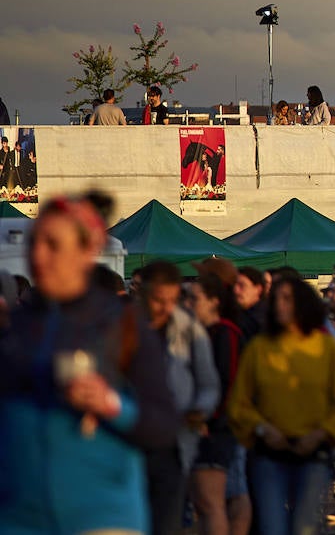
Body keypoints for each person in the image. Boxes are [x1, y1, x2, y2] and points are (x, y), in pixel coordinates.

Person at [0, 196, 179, 535]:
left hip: (101, 517)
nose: (38, 255)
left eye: (53, 245)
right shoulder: (16, 326)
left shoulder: (122, 325)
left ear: (87, 252)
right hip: (18, 520)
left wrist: (111, 404)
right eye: (35, 243)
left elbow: (163, 426)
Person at [227, 276, 335, 535]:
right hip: (268, 454)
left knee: (304, 527)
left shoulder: (327, 349)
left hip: (313, 454)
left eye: (287, 299)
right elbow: (239, 403)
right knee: (272, 526)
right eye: (276, 298)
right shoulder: (259, 349)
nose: (280, 305)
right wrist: (262, 429)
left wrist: (321, 434)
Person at [141, 260, 222, 535]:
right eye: (157, 300)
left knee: (168, 523)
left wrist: (199, 411)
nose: (165, 308)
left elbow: (209, 384)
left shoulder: (188, 329)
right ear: (142, 292)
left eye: (172, 300)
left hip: (174, 444)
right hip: (131, 441)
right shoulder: (124, 326)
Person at [189, 259, 252, 535]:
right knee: (212, 502)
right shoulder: (211, 331)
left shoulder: (226, 332)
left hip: (221, 427)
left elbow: (229, 382)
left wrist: (210, 419)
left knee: (220, 500)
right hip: (215, 424)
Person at [235, 266, 270, 338]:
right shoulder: (235, 315)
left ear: (258, 289)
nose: (236, 291)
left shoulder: (267, 319)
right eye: (234, 285)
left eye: (242, 285)